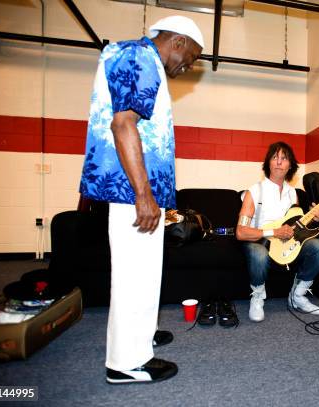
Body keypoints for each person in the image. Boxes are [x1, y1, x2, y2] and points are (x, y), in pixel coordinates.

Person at [79, 16, 204, 384]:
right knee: (134, 275)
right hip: (131, 192)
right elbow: (123, 124)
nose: (189, 65)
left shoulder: (146, 63)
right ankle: (125, 364)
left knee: (147, 274)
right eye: (192, 57)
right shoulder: (139, 57)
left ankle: (141, 337)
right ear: (178, 41)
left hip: (140, 192)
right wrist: (143, 194)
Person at [236, 142, 319, 322]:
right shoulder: (254, 191)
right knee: (258, 254)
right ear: (268, 163)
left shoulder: (293, 193)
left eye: (283, 158)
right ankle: (257, 296)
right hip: (261, 241)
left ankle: (297, 296)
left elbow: (296, 223)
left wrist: (314, 217)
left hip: (288, 243)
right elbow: (240, 231)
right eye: (274, 157)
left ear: (290, 165)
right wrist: (273, 232)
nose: (278, 162)